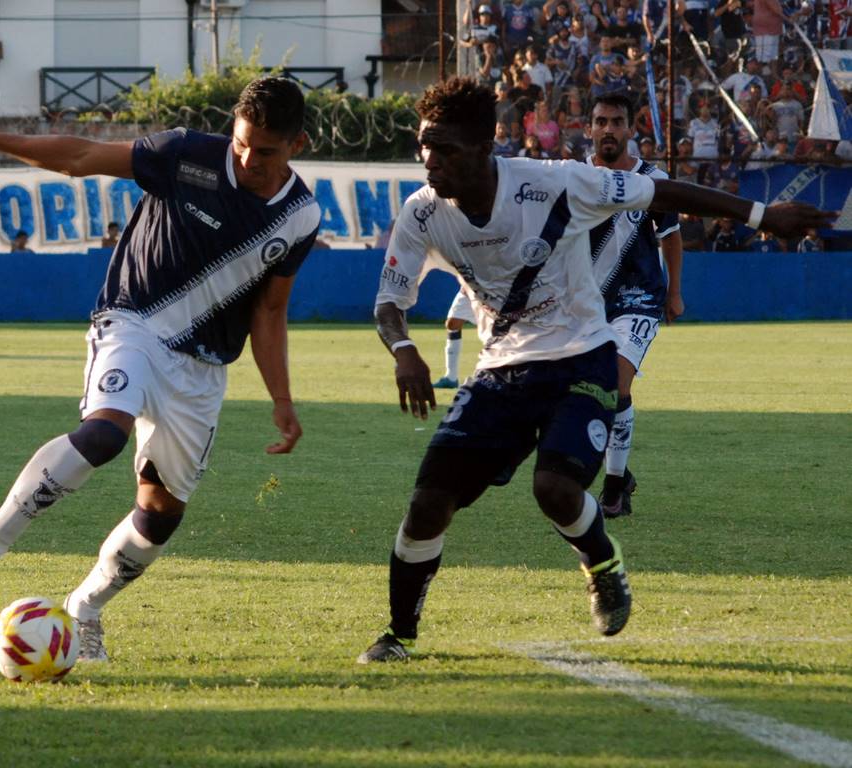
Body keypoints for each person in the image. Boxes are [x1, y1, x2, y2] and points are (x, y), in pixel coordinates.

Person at [356, 76, 832, 663]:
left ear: (485, 147)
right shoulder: (423, 212)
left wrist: (762, 214)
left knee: (554, 488)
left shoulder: (553, 183)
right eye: (423, 148)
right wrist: (403, 349)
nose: (430, 162)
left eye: (445, 150)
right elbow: (388, 302)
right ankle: (399, 634)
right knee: (427, 503)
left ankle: (602, 563)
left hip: (582, 355)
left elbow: (659, 191)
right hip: (501, 370)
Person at [0, 76, 321, 662]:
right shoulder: (187, 154)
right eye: (241, 143)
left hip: (202, 368)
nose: (247, 159)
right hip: (133, 323)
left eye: (265, 151)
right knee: (104, 433)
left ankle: (85, 609)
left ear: (298, 145)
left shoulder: (300, 216)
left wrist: (282, 399)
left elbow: (270, 309)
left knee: (161, 512)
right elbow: (82, 156)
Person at [585, 93, 684, 518]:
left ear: (630, 129)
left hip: (640, 299)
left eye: (617, 121)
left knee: (618, 385)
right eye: (601, 121)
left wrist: (674, 290)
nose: (609, 129)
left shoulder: (652, 179)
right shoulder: (576, 177)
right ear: (589, 128)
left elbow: (673, 236)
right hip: (587, 303)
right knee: (587, 393)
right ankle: (622, 477)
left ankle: (611, 490)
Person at [433, 287, 478, 389]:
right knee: (452, 324)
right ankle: (451, 378)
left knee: (496, 327)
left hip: (495, 288)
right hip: (469, 288)